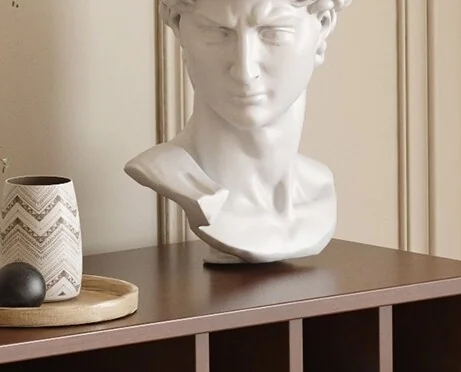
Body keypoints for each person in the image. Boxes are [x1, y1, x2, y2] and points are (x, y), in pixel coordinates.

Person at [126, 0, 348, 263]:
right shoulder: (166, 171)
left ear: (323, 27)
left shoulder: (318, 187)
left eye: (274, 33)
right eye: (216, 32)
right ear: (177, 25)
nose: (244, 71)